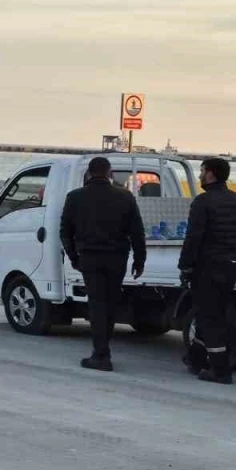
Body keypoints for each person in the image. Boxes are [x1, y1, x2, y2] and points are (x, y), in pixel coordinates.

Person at [59, 156, 146, 372]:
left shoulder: (75, 197)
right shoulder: (125, 197)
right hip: (117, 258)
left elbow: (65, 232)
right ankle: (103, 350)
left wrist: (74, 257)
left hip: (89, 258)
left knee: (97, 304)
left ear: (89, 173)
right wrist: (139, 259)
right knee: (110, 304)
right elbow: (137, 231)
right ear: (110, 173)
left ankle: (101, 354)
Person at [179, 157, 236, 385]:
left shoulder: (203, 203)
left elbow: (193, 238)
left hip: (208, 266)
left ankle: (220, 371)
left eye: (202, 171)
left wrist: (185, 266)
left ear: (211, 173)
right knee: (214, 311)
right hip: (230, 265)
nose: (200, 176)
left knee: (209, 317)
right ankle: (196, 359)